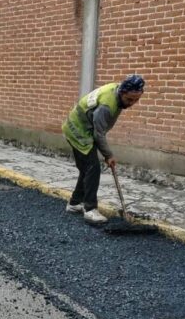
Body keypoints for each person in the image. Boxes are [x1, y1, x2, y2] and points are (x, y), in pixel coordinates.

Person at [61, 74, 145, 224]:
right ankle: (90, 209)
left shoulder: (116, 92)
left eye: (136, 100)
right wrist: (108, 155)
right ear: (122, 92)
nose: (132, 103)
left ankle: (74, 204)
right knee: (93, 168)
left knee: (87, 169)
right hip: (78, 131)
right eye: (130, 99)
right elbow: (98, 134)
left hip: (84, 128)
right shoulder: (106, 106)